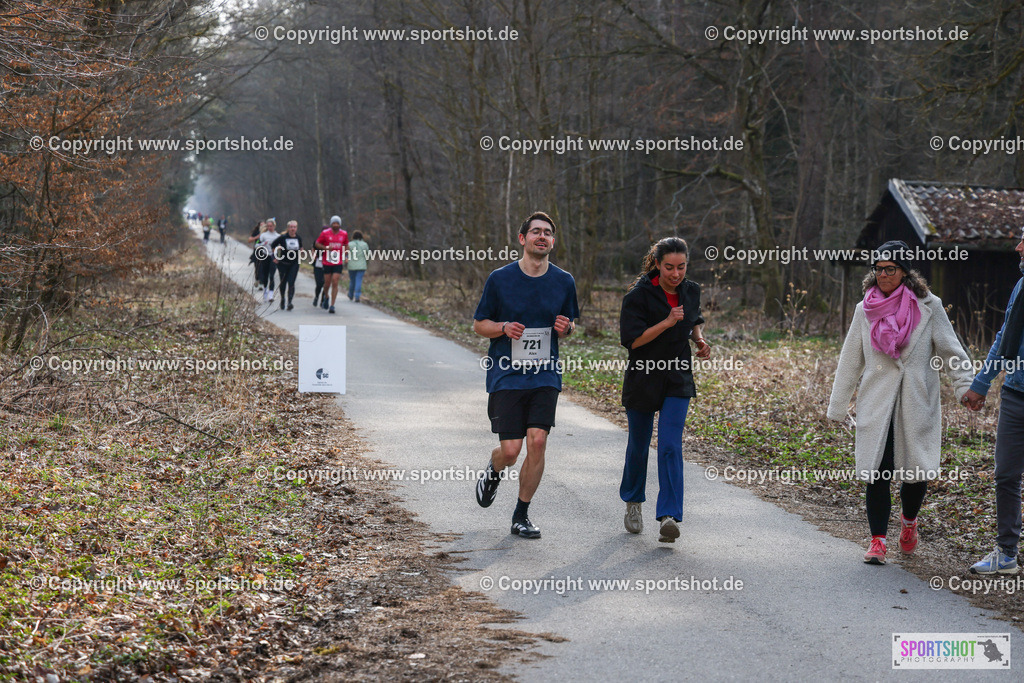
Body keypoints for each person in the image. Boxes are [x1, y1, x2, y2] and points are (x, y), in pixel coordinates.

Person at [827, 241, 975, 565]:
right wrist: (838, 404)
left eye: (890, 269)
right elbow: (851, 359)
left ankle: (909, 522)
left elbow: (951, 350)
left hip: (916, 401)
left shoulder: (929, 306)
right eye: (878, 269)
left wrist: (966, 386)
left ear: (904, 272)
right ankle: (878, 541)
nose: (882, 274)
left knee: (915, 472)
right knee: (877, 470)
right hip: (877, 402)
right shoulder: (864, 309)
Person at [473, 211, 580, 539]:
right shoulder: (500, 279)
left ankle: (521, 514)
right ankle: (493, 470)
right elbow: (479, 325)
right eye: (535, 231)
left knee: (537, 441)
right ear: (522, 239)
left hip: (545, 374)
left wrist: (566, 329)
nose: (542, 236)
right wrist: (503, 327)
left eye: (547, 232)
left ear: (553, 241)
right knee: (510, 451)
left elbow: (570, 325)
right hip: (507, 374)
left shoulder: (564, 281)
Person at [618, 237, 711, 543]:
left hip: (677, 376)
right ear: (657, 264)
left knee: (670, 445)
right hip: (643, 377)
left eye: (681, 267)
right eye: (669, 267)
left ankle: (669, 515)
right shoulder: (638, 296)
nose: (676, 273)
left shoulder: (691, 290)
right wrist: (667, 322)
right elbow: (632, 341)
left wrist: (699, 339)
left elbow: (694, 319)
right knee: (639, 445)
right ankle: (633, 502)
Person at [962, 228, 1024, 575]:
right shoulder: (1021, 285)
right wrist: (981, 383)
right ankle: (1006, 552)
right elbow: (1004, 337)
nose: (1018, 247)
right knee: (1006, 475)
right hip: (1016, 393)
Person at [315, 215, 348, 313]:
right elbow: (317, 244)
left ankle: (332, 305)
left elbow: (346, 245)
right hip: (327, 261)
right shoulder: (325, 233)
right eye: (334, 223)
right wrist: (325, 248)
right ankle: (326, 296)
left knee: (335, 281)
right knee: (327, 283)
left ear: (340, 224)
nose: (335, 225)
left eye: (337, 223)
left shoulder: (344, 234)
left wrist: (346, 256)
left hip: (338, 261)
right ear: (331, 224)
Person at [271, 220, 303, 310]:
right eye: (291, 227)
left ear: (296, 228)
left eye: (294, 227)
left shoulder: (298, 238)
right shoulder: (283, 237)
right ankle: (282, 299)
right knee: (283, 282)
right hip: (283, 263)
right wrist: (275, 257)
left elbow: (301, 247)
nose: (293, 229)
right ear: (288, 228)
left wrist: (301, 251)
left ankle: (289, 302)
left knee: (291, 282)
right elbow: (273, 245)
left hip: (294, 264)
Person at [254, 218, 279, 303]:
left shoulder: (277, 236)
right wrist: (262, 244)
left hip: (273, 257)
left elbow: (281, 247)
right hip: (265, 256)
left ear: (274, 226)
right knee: (265, 275)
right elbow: (256, 245)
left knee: (272, 275)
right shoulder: (263, 235)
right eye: (268, 226)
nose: (269, 227)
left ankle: (271, 294)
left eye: (271, 226)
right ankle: (265, 290)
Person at [347, 231, 369, 302]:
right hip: (361, 265)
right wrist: (366, 262)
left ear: (353, 237)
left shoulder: (349, 244)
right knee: (359, 280)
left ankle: (350, 294)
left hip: (351, 265)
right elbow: (367, 255)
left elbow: (346, 254)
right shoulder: (364, 244)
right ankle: (357, 296)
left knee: (352, 280)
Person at [247, 221, 266, 290]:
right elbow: (250, 240)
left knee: (263, 268)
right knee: (257, 267)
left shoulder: (267, 233)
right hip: (257, 252)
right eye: (261, 225)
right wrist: (257, 237)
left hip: (265, 253)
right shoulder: (256, 232)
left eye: (264, 225)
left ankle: (261, 283)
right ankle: (257, 279)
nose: (262, 226)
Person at [312, 227, 326, 308]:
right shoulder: (317, 241)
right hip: (318, 264)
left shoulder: (331, 242)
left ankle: (323, 300)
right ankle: (316, 297)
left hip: (328, 265)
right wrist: (314, 256)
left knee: (326, 284)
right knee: (319, 284)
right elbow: (313, 249)